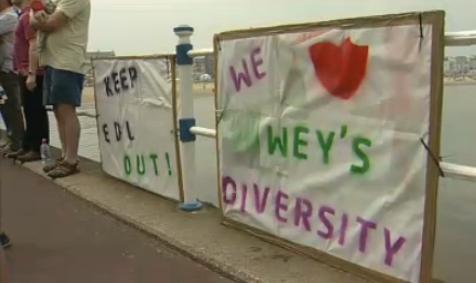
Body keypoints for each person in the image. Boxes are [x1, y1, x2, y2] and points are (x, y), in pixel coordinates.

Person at [31, 0, 90, 178]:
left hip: (67, 61)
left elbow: (52, 24)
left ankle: (71, 160)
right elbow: (33, 23)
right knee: (58, 110)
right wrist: (38, 19)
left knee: (66, 109)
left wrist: (40, 20)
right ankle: (65, 156)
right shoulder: (56, 1)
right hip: (52, 60)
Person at [13, 0, 49, 163]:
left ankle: (37, 148)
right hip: (25, 70)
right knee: (28, 109)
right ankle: (28, 145)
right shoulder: (24, 15)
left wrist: (32, 74)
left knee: (35, 110)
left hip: (32, 71)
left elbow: (34, 45)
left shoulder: (28, 16)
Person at [0, 0, 25, 158]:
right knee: (3, 105)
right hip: (2, 71)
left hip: (8, 70)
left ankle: (18, 142)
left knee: (11, 106)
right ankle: (12, 139)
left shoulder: (10, 16)